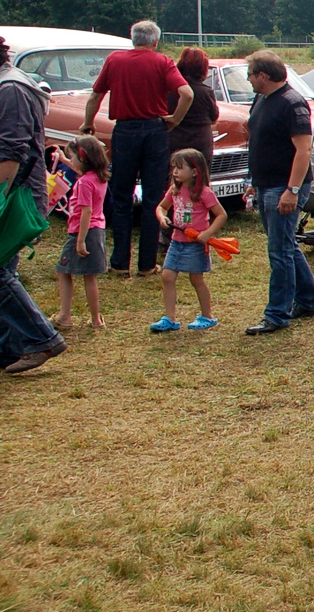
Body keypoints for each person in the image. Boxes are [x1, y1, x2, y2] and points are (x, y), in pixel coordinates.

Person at [82, 19, 192, 276]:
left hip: (125, 131)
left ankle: (120, 263)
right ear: (155, 41)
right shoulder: (162, 62)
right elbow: (187, 93)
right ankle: (146, 264)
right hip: (155, 131)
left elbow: (95, 95)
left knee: (121, 196)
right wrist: (175, 119)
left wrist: (88, 123)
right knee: (154, 198)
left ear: (133, 39)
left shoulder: (115, 60)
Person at [0, 34, 67, 374]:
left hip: (15, 195)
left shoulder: (11, 89)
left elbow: (11, 151)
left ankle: (40, 338)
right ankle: (11, 348)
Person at [242, 52, 314, 336]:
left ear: (263, 75)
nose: (248, 79)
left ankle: (277, 314)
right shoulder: (261, 100)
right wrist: (254, 180)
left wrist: (292, 190)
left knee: (280, 251)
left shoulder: (292, 103)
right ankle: (308, 301)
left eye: (250, 73)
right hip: (266, 183)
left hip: (283, 187)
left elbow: (304, 150)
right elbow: (260, 142)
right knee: (286, 245)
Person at [150, 147, 226, 332]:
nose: (175, 172)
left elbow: (221, 215)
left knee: (196, 279)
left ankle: (207, 315)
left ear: (194, 171)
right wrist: (162, 218)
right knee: (167, 276)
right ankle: (169, 318)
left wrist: (207, 234)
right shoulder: (175, 190)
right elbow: (161, 207)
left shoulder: (204, 193)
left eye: (179, 168)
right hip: (177, 241)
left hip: (195, 244)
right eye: (173, 168)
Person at [53, 135, 110, 330]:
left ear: (83, 158)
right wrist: (63, 159)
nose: (73, 161)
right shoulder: (98, 177)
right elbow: (79, 170)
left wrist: (80, 240)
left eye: (73, 157)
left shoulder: (84, 183)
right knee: (89, 276)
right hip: (97, 230)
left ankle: (65, 316)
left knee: (63, 271)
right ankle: (96, 319)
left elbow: (86, 211)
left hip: (82, 232)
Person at [167, 48, 219, 170]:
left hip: (174, 142)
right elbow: (214, 118)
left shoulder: (169, 90)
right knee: (200, 181)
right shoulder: (206, 91)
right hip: (200, 143)